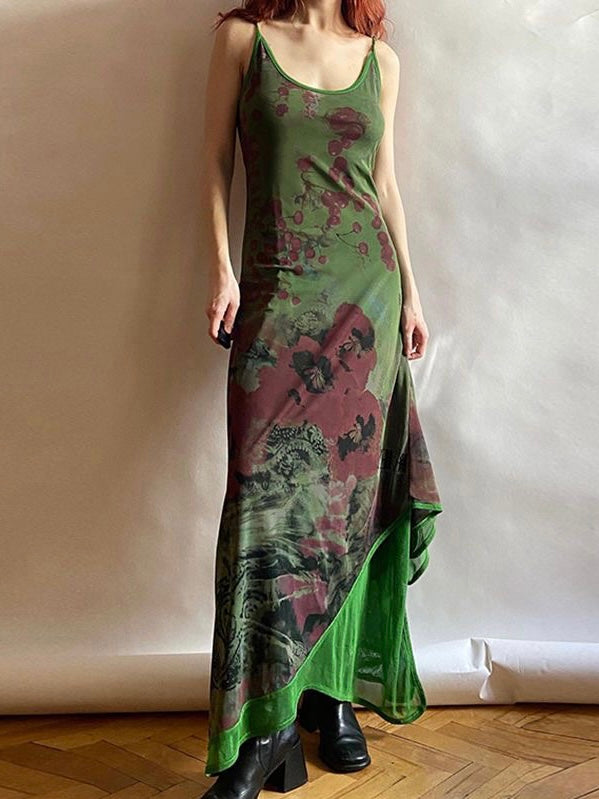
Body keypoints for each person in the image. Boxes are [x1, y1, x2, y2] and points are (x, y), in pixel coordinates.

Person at [200, 2, 443, 797]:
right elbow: (212, 163)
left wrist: (410, 294)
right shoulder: (243, 42)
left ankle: (329, 695)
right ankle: (264, 727)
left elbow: (384, 184)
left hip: (365, 300)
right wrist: (220, 268)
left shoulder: (378, 61)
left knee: (346, 512)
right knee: (261, 506)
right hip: (276, 294)